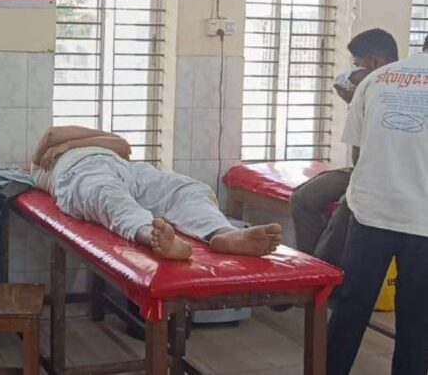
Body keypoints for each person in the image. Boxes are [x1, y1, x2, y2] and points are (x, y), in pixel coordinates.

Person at [31, 126, 282, 259]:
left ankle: (223, 233)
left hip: (127, 169)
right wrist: (69, 144)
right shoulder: (39, 164)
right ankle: (153, 236)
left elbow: (123, 146)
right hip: (80, 173)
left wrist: (71, 144)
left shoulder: (71, 145)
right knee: (110, 198)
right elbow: (52, 133)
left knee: (185, 189)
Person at [326, 47, 428, 374]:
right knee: (416, 322)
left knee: (349, 311)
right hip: (423, 222)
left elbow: (358, 151)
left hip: (370, 213)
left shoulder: (377, 79)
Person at [290, 28, 399, 267]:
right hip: (361, 170)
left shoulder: (399, 94)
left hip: (383, 177)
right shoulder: (367, 90)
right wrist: (354, 102)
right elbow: (358, 151)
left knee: (345, 210)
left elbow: (368, 152)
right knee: (303, 198)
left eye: (356, 65)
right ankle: (309, 268)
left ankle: (321, 272)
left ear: (374, 63)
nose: (352, 72)